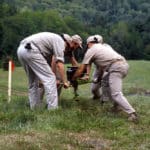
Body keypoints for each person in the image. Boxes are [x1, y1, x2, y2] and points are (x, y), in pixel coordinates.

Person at [72, 35, 138, 122]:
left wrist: (74, 79)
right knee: (105, 82)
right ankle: (116, 107)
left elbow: (82, 68)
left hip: (116, 68)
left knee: (116, 93)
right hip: (121, 65)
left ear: (88, 44)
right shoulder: (102, 47)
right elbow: (101, 69)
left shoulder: (92, 50)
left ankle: (132, 113)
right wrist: (98, 79)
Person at [17, 32, 70, 110]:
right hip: (32, 50)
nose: (65, 50)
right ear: (66, 43)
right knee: (51, 79)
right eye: (67, 48)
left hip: (21, 50)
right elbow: (60, 64)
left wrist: (41, 79)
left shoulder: (51, 40)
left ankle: (35, 108)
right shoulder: (60, 41)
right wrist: (65, 81)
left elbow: (45, 64)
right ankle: (53, 109)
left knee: (33, 81)